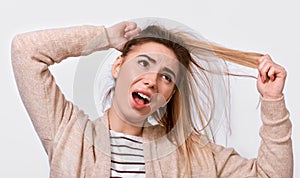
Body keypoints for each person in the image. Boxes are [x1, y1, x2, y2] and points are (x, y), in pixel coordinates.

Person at [11, 19, 293, 177]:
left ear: (169, 96)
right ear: (118, 66)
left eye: (167, 76)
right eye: (143, 63)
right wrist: (103, 37)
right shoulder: (69, 133)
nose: (152, 80)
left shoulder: (192, 153)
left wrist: (272, 101)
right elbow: (25, 51)